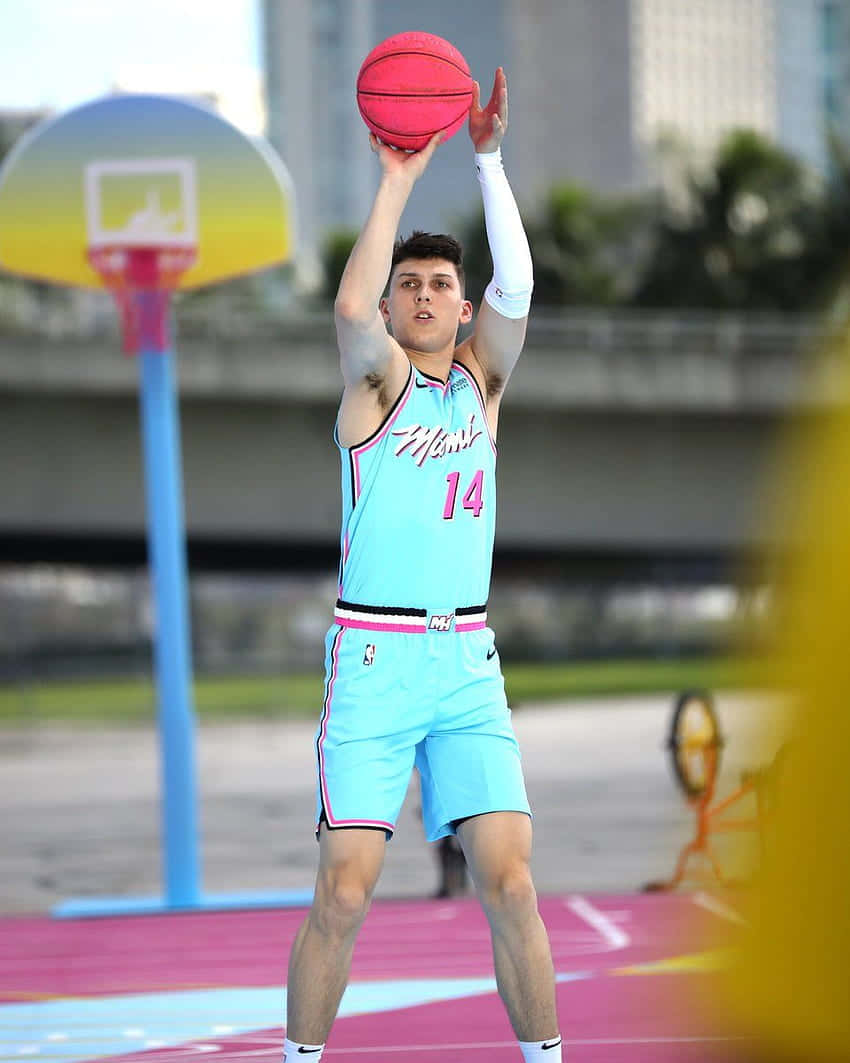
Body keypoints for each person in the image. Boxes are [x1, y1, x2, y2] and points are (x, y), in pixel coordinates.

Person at [282, 68, 562, 1062]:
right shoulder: (375, 387)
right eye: (413, 284)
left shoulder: (481, 386)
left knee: (513, 880)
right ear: (398, 313)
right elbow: (351, 302)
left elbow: (518, 288)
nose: (426, 293)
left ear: (460, 307)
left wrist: (486, 158)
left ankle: (546, 1055)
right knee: (344, 887)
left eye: (442, 283)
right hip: (374, 658)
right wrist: (398, 177)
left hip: (466, 662)